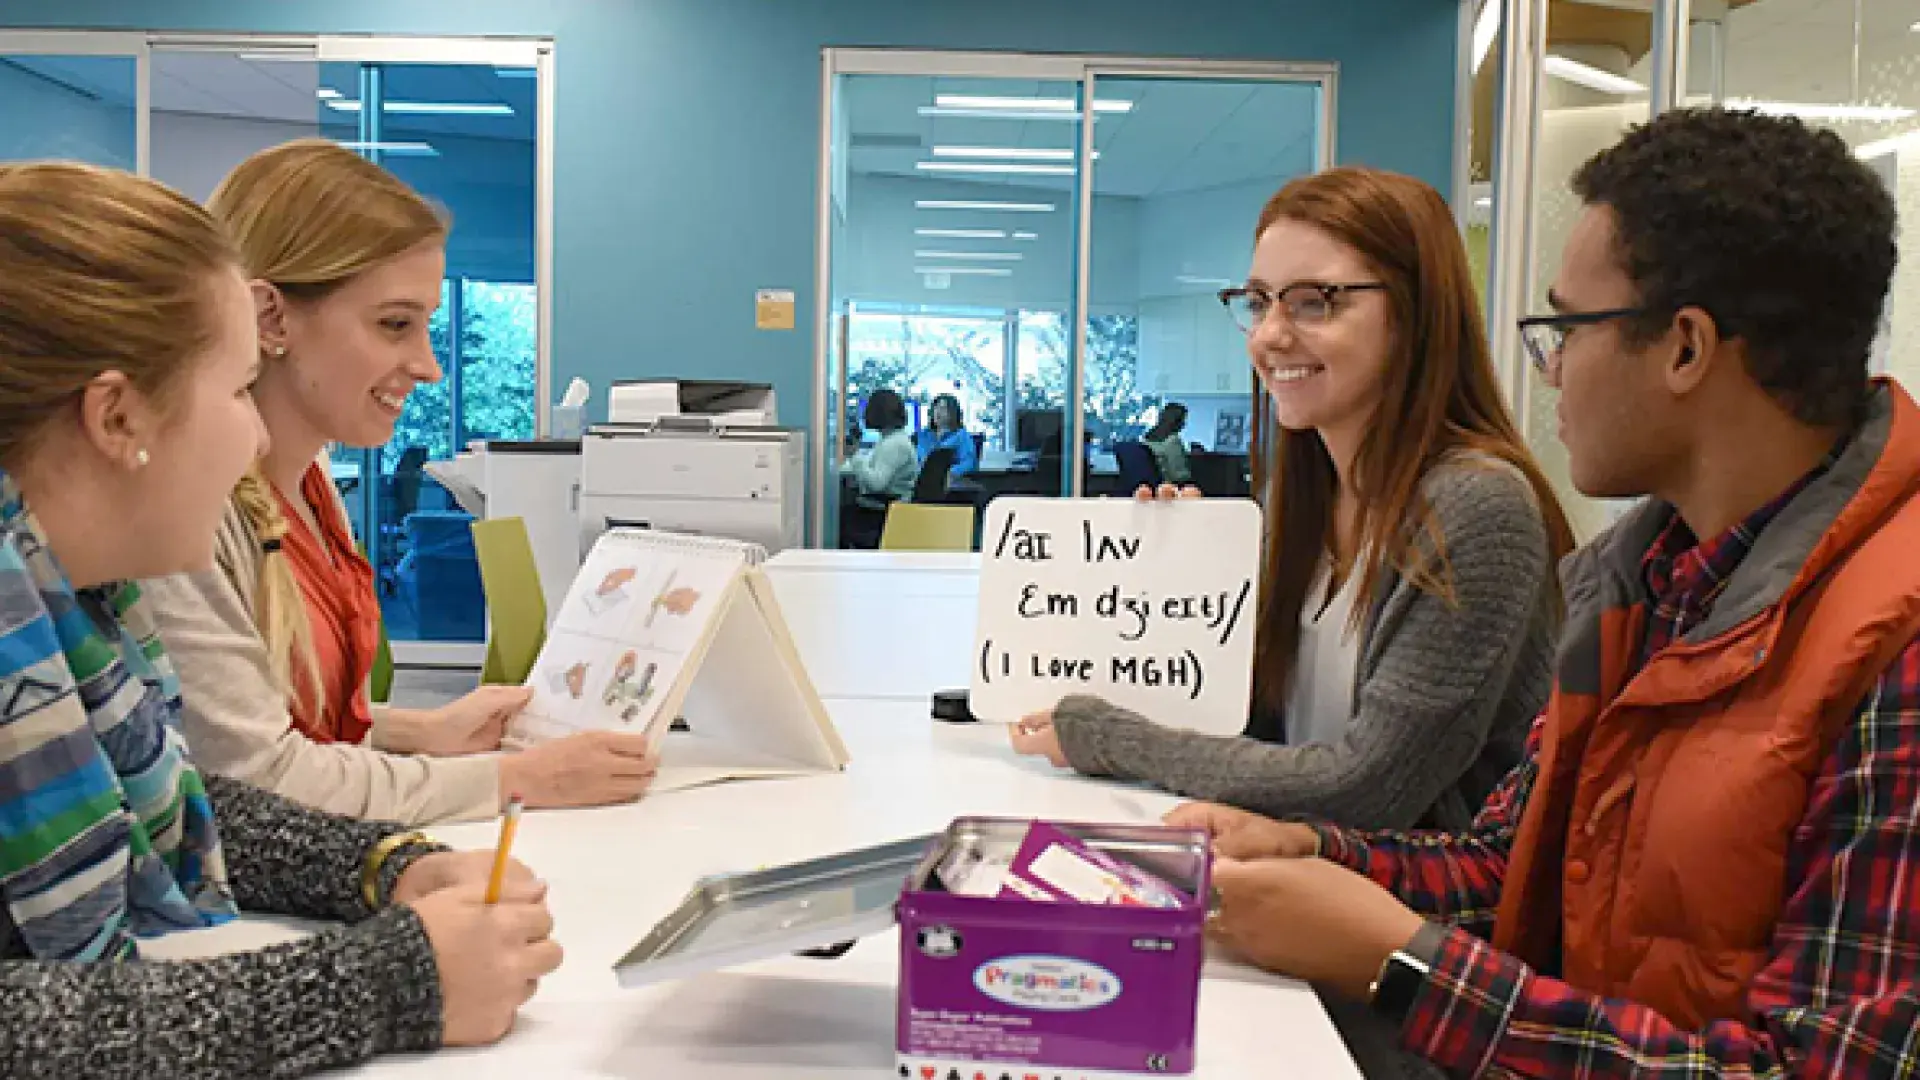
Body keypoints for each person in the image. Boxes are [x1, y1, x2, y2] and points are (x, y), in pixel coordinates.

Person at [1177, 108, 1920, 1079]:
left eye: (1566, 327)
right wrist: (1304, 846)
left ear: (1685, 349)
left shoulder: (1893, 643)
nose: (1552, 366)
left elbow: (1822, 1070)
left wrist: (1404, 965)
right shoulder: (1642, 582)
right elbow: (1507, 867)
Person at [0, 160, 560, 1078]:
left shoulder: (73, 611)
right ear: (115, 415)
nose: (256, 439)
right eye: (231, 393)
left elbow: (191, 801)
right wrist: (389, 983)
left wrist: (382, 864)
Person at [1010, 167, 1575, 833]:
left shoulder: (1478, 507)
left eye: (1314, 301)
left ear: (1415, 314)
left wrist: (1108, 738)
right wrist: (1188, 595)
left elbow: (1368, 786)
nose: (1268, 335)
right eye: (1258, 301)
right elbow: (1265, 734)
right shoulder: (1300, 497)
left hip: (1411, 918)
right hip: (1299, 884)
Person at [142, 141, 657, 825]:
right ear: (270, 319)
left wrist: (420, 732)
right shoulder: (183, 520)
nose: (427, 366)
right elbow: (252, 779)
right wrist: (515, 779)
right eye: (394, 325)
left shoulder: (312, 480)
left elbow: (278, 721)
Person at [843, 388, 918, 500]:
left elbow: (876, 484)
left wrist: (854, 455)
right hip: (890, 503)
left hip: (886, 507)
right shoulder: (891, 439)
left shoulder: (894, 445)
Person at [915, 392, 978, 478]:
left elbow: (969, 463)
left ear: (953, 412)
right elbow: (917, 460)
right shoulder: (923, 435)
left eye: (943, 408)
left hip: (949, 482)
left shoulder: (961, 436)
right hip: (923, 481)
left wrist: (947, 473)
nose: (938, 412)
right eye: (935, 407)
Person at [1140, 402, 1194, 484]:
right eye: (1183, 420)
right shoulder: (1173, 441)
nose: (1184, 424)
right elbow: (1178, 476)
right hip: (1168, 488)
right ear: (1177, 421)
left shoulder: (1145, 440)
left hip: (1148, 487)